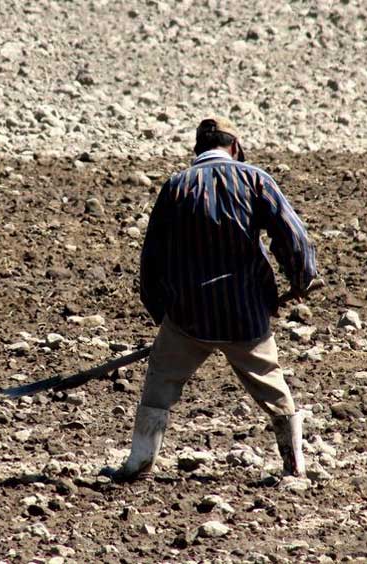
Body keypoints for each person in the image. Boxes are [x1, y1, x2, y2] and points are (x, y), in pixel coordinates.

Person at [105, 117, 318, 482]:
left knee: (159, 386)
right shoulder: (255, 180)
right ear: (234, 147)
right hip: (246, 315)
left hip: (189, 316)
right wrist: (302, 280)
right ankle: (294, 464)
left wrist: (164, 316)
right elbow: (293, 237)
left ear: (198, 150)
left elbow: (152, 257)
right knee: (272, 386)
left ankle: (139, 462)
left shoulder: (176, 186)